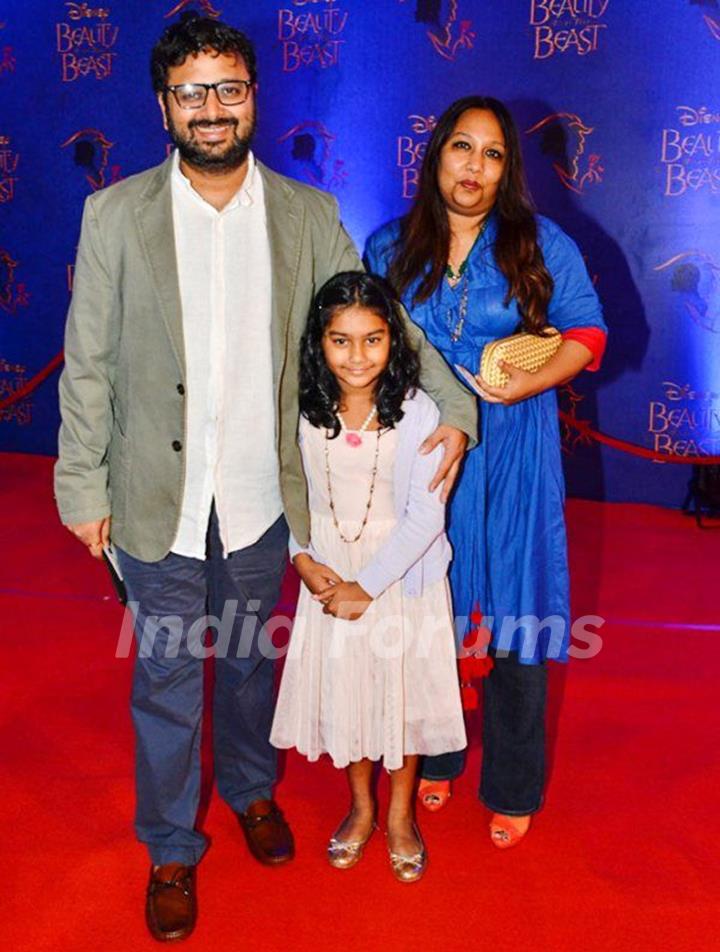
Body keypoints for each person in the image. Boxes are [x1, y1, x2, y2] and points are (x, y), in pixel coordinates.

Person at [53, 17, 476, 943]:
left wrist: (454, 406)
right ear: (163, 104)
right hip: (154, 496)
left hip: (261, 499)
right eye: (192, 92)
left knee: (247, 663)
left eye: (229, 89)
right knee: (166, 677)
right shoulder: (115, 214)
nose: (213, 109)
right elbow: (85, 365)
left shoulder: (305, 214)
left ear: (254, 95)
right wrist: (81, 487)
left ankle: (249, 792)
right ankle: (171, 847)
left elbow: (380, 322)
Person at [365, 95, 607, 849]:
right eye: (461, 148)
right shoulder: (387, 247)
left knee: (516, 607)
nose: (474, 167)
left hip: (515, 449)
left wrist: (526, 384)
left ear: (508, 170)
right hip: (420, 452)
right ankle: (436, 753)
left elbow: (588, 333)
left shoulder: (541, 244)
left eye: (492, 153)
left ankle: (511, 782)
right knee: (423, 607)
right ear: (435, 155)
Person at [270, 272, 466, 883]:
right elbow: (288, 490)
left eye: (373, 340)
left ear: (394, 341)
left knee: (397, 701)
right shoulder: (301, 406)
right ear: (318, 343)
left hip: (401, 577)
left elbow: (426, 515)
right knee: (350, 698)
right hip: (328, 572)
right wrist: (301, 556)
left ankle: (401, 817)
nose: (358, 357)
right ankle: (360, 809)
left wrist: (368, 587)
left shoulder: (417, 411)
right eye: (341, 340)